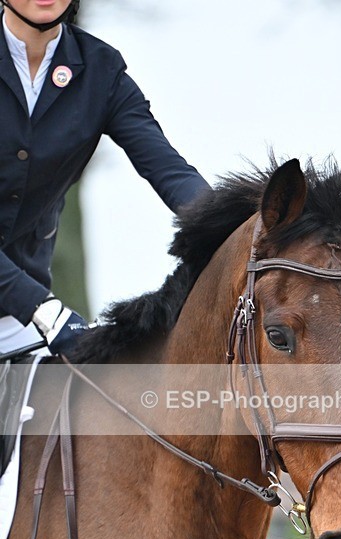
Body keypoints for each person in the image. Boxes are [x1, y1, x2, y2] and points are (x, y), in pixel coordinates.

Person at [0, 0, 211, 357]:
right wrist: (43, 308)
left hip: (18, 322)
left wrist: (230, 226)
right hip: (33, 307)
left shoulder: (101, 71)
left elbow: (168, 169)